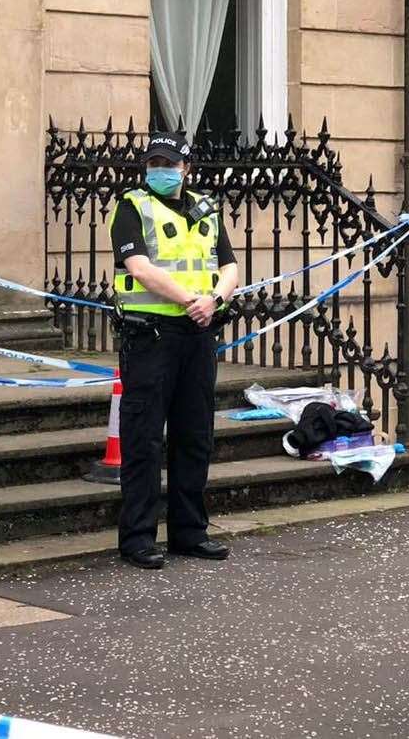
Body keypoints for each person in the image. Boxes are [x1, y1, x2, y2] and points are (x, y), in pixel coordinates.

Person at [110, 131, 240, 570]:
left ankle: (189, 532)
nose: (159, 171)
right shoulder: (132, 207)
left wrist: (215, 300)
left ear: (186, 168)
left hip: (198, 334)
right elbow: (139, 267)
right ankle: (138, 538)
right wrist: (189, 300)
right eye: (153, 164)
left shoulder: (207, 208)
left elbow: (229, 266)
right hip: (150, 336)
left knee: (194, 435)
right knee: (144, 438)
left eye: (168, 164)